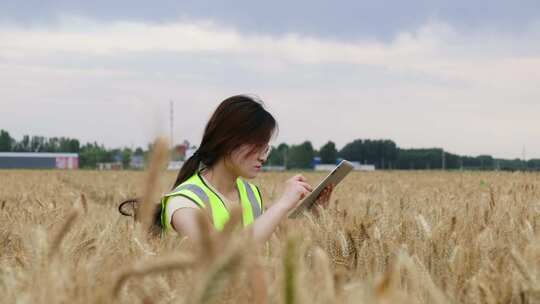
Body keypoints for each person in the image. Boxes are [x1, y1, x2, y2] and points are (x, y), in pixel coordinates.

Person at [121, 95, 334, 244]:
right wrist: (282, 204)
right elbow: (223, 257)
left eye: (266, 147)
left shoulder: (250, 193)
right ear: (228, 141)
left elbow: (267, 249)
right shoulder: (184, 203)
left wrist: (315, 213)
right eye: (257, 146)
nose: (263, 156)